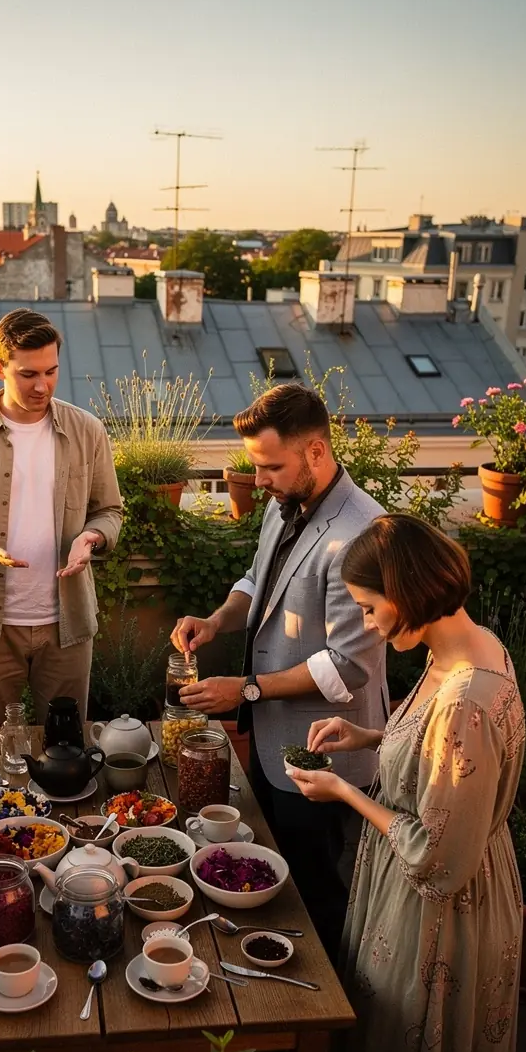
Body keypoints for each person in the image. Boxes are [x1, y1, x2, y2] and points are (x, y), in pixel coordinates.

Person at [287, 514, 524, 1052]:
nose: (366, 623)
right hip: (458, 883)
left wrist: (345, 791)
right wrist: (369, 734)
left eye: (368, 607)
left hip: (441, 912)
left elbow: (435, 857)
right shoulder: (470, 647)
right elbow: (441, 764)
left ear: (408, 590)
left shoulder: (466, 700)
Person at [171, 382, 387, 956]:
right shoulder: (281, 502)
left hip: (327, 756)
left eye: (270, 466)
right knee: (275, 883)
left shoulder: (363, 532)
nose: (258, 480)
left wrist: (244, 688)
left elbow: (347, 668)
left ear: (316, 451)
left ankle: (330, 1020)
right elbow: (258, 584)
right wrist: (216, 621)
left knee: (321, 898)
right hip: (274, 748)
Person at [0, 308, 123, 727]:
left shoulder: (88, 430)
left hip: (67, 624)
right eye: (28, 374)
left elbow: (109, 511)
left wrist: (91, 539)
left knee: (67, 749)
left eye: (51, 372)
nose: (42, 385)